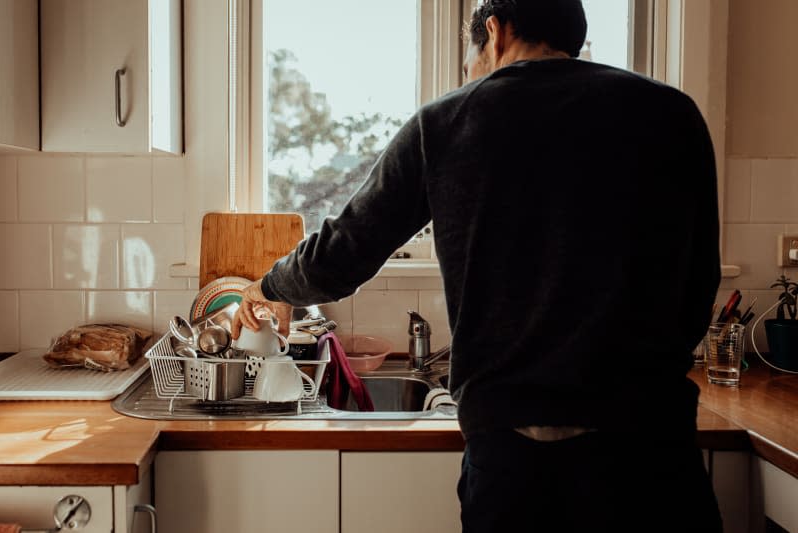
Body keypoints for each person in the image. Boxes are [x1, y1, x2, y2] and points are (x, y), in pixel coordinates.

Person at [232, 0, 723, 530]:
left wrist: (270, 286)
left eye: (470, 60)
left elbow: (343, 253)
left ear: (494, 31)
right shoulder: (671, 114)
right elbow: (698, 284)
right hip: (649, 446)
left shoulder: (446, 122)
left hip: (515, 459)